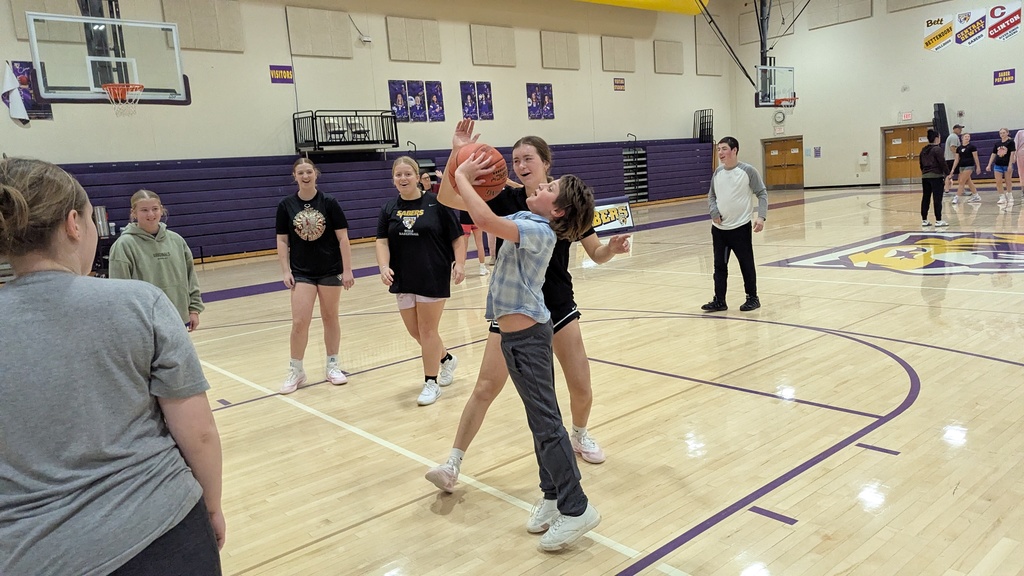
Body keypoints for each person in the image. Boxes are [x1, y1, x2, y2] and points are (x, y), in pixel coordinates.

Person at [0, 157, 225, 575]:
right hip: (166, 529)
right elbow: (200, 435)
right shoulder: (141, 303)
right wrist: (211, 507)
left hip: (30, 554)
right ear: (73, 224)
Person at [427, 121, 630, 492]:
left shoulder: (563, 204)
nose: (520, 164)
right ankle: (453, 462)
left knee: (580, 385)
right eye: (515, 159)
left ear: (546, 162)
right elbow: (447, 199)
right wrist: (459, 153)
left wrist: (611, 251)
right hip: (516, 308)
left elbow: (595, 253)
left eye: (528, 158)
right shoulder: (505, 198)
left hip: (556, 304)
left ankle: (579, 435)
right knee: (486, 386)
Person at [452, 148, 601, 552]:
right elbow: (481, 208)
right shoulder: (526, 218)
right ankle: (552, 495)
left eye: (549, 187)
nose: (540, 186)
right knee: (540, 423)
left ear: (558, 212)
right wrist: (458, 159)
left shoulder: (540, 231)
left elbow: (482, 220)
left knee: (548, 425)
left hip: (530, 337)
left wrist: (464, 174)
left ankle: (577, 507)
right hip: (514, 337)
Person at [376, 156, 466, 406]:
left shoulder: (438, 203)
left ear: (418, 177)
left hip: (432, 273)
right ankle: (447, 360)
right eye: (398, 175)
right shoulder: (388, 208)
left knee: (428, 331)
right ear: (393, 179)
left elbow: (458, 237)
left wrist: (459, 263)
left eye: (407, 174)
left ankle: (431, 382)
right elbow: (381, 241)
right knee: (416, 331)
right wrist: (384, 266)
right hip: (403, 275)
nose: (402, 179)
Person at [275, 158, 355, 394]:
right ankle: (296, 369)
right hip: (302, 272)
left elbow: (343, 238)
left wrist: (348, 269)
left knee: (331, 317)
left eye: (309, 171)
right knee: (300, 321)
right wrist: (285, 270)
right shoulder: (286, 205)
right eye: (301, 172)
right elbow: (282, 240)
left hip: (330, 269)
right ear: (295, 176)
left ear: (316, 174)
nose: (305, 175)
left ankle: (332, 365)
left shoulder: (329, 203)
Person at [108, 189, 205, 331]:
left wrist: (194, 309)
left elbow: (191, 277)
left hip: (179, 317)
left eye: (155, 209)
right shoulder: (124, 245)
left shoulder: (176, 240)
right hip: (145, 323)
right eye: (144, 210)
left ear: (161, 210)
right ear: (134, 213)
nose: (151, 214)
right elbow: (119, 289)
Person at [701, 136, 768, 313]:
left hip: (740, 229)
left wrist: (761, 217)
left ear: (734, 150)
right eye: (718, 149)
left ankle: (752, 298)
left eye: (724, 149)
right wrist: (713, 212)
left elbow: (762, 193)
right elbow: (711, 196)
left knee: (746, 264)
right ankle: (719, 300)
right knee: (719, 266)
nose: (720, 153)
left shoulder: (748, 171)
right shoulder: (717, 173)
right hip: (720, 230)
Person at [919, 129, 950, 227]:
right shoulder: (937, 149)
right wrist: (948, 174)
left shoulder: (923, 150)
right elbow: (942, 163)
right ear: (937, 138)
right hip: (936, 176)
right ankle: (938, 220)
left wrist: (924, 172)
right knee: (937, 198)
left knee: (926, 198)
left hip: (925, 176)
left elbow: (921, 164)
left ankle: (924, 220)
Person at [985, 128, 1017, 205]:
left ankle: (1009, 194)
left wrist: (1010, 164)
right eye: (1001, 133)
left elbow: (1012, 154)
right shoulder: (997, 143)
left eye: (1003, 133)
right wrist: (989, 164)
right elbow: (993, 154)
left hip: (1006, 164)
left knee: (1008, 181)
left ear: (1007, 133)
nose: (1002, 134)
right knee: (998, 181)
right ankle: (1002, 197)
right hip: (998, 165)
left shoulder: (1011, 142)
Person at [950, 132, 981, 204]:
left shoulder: (972, 147)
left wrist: (978, 166)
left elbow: (975, 157)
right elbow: (957, 159)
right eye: (966, 136)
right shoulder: (959, 148)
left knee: (961, 181)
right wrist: (953, 169)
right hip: (961, 166)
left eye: (968, 137)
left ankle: (956, 197)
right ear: (962, 138)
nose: (967, 138)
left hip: (969, 166)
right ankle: (976, 195)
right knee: (968, 181)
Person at [459, 209, 490, 277]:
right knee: (480, 244)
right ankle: (482, 268)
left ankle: (462, 269)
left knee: (464, 247)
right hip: (475, 219)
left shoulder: (461, 198)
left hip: (464, 220)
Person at [944, 124, 963, 193]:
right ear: (955, 129)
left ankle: (946, 189)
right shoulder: (954, 137)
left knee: (949, 174)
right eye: (960, 129)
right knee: (960, 173)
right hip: (952, 159)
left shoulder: (951, 136)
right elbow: (952, 148)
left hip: (949, 158)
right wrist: (958, 155)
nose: (961, 130)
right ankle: (961, 189)